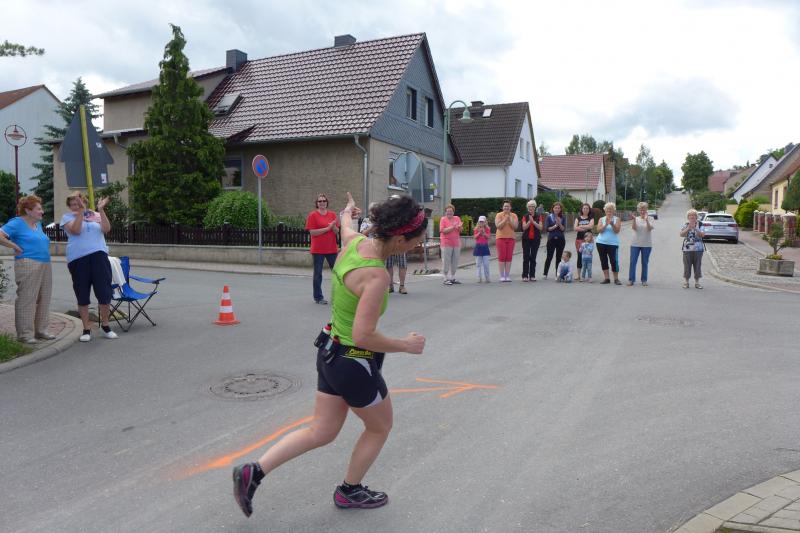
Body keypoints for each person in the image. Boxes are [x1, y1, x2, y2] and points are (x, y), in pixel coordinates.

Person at [232, 192, 427, 517]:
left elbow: (345, 224)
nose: (418, 245)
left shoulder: (354, 243)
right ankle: (350, 490)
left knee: (321, 431)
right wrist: (405, 345)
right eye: (416, 240)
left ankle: (254, 471)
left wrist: (347, 211)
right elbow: (364, 335)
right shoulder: (376, 276)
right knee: (380, 427)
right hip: (353, 361)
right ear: (398, 238)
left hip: (330, 353)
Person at [60, 192, 118, 342]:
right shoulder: (67, 217)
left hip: (99, 256)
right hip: (78, 259)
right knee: (82, 293)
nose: (76, 206)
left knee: (104, 292)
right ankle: (86, 329)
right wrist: (81, 211)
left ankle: (105, 325)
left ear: (85, 202)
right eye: (73, 204)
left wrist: (101, 210)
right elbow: (76, 230)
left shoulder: (95, 215)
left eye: (78, 203)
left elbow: (106, 229)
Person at [0, 195, 54, 344]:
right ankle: (25, 334)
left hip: (45, 263)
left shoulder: (38, 225)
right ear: (28, 210)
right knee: (27, 298)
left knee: (44, 297)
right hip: (28, 263)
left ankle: (41, 330)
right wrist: (14, 246)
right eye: (39, 209)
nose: (42, 211)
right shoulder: (17, 223)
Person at [306, 193, 340, 304]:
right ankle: (318, 297)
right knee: (318, 274)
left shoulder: (332, 214)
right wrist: (327, 228)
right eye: (320, 201)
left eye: (324, 201)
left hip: (332, 248)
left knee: (337, 273)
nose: (322, 203)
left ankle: (338, 296)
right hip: (318, 250)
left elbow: (336, 231)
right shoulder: (313, 215)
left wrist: (333, 226)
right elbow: (312, 232)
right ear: (317, 203)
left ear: (327, 202)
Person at [628, 201, 655, 286]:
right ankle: (631, 279)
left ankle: (644, 280)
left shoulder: (651, 218)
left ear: (647, 210)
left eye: (644, 209)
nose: (642, 211)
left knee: (644, 262)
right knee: (633, 262)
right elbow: (634, 228)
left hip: (646, 244)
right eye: (641, 210)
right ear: (638, 210)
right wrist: (634, 219)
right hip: (635, 243)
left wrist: (646, 220)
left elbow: (650, 228)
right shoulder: (636, 218)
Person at [596, 202, 622, 285]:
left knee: (614, 261)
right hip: (601, 243)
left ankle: (616, 279)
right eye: (607, 209)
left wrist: (612, 224)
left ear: (614, 210)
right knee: (603, 260)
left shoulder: (617, 219)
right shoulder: (601, 219)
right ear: (605, 210)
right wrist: (606, 225)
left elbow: (617, 231)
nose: (609, 211)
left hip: (613, 244)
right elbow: (599, 230)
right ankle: (606, 278)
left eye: (611, 209)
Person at [680, 208, 706, 289]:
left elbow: (702, 235)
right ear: (688, 217)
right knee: (687, 266)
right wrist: (688, 228)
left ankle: (697, 283)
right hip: (687, 249)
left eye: (694, 215)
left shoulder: (700, 224)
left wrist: (695, 228)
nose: (692, 217)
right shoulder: (686, 224)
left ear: (696, 217)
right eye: (690, 215)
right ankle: (686, 282)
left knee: (697, 266)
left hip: (698, 249)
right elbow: (681, 234)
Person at [494, 200, 518, 282]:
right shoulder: (499, 215)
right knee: (502, 256)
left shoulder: (514, 215)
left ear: (510, 207)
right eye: (505, 206)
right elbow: (498, 226)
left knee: (508, 257)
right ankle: (502, 276)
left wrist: (510, 220)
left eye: (508, 206)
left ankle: (507, 275)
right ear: (502, 207)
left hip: (511, 238)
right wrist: (505, 219)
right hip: (500, 238)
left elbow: (515, 227)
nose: (506, 208)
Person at [542, 202, 567, 279]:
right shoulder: (549, 217)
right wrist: (556, 225)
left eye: (558, 208)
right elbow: (547, 229)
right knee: (549, 257)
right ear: (553, 208)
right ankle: (545, 274)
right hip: (551, 239)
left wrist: (559, 223)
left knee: (559, 258)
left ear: (561, 209)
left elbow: (563, 229)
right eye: (555, 208)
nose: (557, 209)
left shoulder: (563, 217)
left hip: (561, 239)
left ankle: (558, 274)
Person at [438, 204, 462, 285]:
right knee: (446, 260)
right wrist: (453, 227)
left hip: (456, 243)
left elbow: (460, 230)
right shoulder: (443, 219)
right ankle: (445, 278)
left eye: (451, 211)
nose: (449, 213)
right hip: (446, 243)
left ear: (453, 212)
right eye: (448, 211)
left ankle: (452, 277)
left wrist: (460, 227)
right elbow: (442, 230)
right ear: (445, 212)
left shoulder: (457, 218)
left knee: (455, 260)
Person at [520, 200, 543, 281]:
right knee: (526, 257)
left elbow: (540, 227)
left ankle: (532, 275)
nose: (531, 208)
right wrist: (530, 221)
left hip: (536, 239)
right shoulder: (525, 216)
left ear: (535, 207)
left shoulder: (538, 216)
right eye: (529, 206)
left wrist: (533, 222)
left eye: (533, 206)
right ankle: (525, 276)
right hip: (526, 239)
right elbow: (524, 228)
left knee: (533, 257)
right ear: (527, 207)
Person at [574, 203, 594, 281]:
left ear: (589, 210)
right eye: (584, 208)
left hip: (589, 240)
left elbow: (591, 226)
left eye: (587, 208)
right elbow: (575, 228)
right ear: (582, 209)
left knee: (588, 256)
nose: (585, 210)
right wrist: (586, 227)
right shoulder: (578, 218)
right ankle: (578, 275)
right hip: (579, 240)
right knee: (579, 256)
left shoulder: (591, 218)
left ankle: (589, 275)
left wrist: (581, 226)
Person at [473, 215, 491, 282]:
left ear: (485, 222)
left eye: (482, 222)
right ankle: (479, 278)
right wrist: (479, 233)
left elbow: (488, 237)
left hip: (485, 246)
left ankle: (487, 278)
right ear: (478, 222)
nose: (481, 223)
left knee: (486, 264)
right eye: (480, 221)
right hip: (478, 246)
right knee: (478, 264)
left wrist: (484, 233)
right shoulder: (476, 229)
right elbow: (475, 237)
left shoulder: (487, 229)